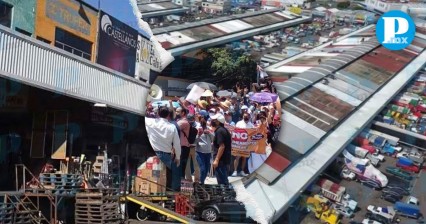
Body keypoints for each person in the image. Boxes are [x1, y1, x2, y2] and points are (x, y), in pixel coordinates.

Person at [145, 106, 181, 191]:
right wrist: (178, 157)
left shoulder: (150, 122)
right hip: (166, 156)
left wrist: (147, 106)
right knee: (164, 177)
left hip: (152, 154)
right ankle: (163, 195)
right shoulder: (172, 127)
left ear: (157, 113)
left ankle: (152, 192)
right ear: (168, 115)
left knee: (152, 176)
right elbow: (177, 144)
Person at [210, 113, 232, 185]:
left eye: (214, 120)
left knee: (222, 181)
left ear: (218, 122)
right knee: (224, 180)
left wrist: (216, 160)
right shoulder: (224, 130)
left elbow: (222, 146)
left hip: (221, 161)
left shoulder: (219, 131)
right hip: (224, 159)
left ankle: (225, 195)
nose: (212, 121)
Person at [232, 113, 254, 177]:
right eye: (244, 116)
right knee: (237, 157)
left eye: (247, 116)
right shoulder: (239, 123)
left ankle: (242, 171)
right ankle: (235, 171)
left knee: (244, 157)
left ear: (249, 116)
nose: (245, 117)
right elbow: (235, 132)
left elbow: (253, 134)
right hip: (239, 144)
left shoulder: (251, 125)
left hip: (246, 144)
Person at [195, 117, 214, 185]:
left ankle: (202, 182)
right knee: (202, 168)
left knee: (206, 170)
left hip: (208, 152)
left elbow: (214, 138)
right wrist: (199, 135)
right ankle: (200, 182)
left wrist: (209, 133)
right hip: (200, 152)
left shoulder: (209, 129)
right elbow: (195, 141)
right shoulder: (198, 129)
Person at [185, 114, 200, 183]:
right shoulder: (196, 128)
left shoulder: (185, 127)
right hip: (194, 147)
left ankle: (189, 179)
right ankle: (197, 180)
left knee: (187, 164)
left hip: (186, 147)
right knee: (196, 164)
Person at [177, 108, 191, 179]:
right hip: (183, 147)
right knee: (181, 164)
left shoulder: (183, 122)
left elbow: (174, 127)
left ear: (183, 113)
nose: (177, 113)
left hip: (183, 147)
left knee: (181, 165)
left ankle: (180, 180)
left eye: (178, 112)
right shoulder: (181, 121)